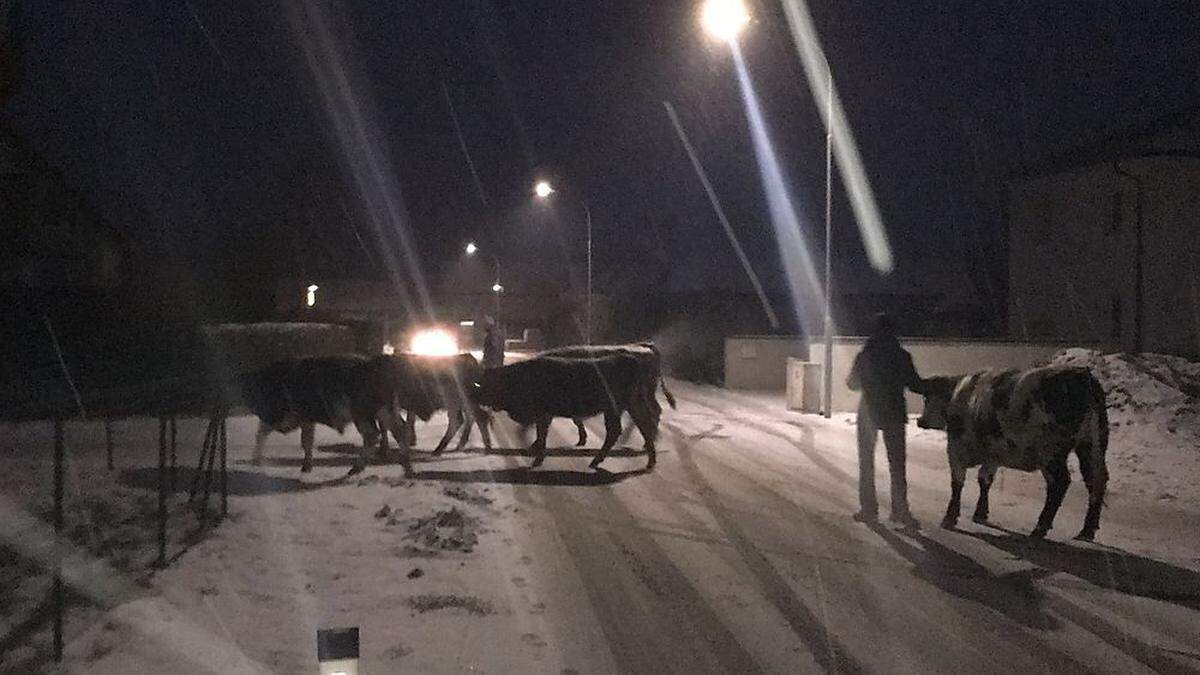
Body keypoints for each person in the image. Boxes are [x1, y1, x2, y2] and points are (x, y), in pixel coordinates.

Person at [846, 313, 924, 527]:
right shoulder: (902, 356)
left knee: (866, 463)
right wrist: (936, 386)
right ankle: (900, 510)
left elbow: (851, 384)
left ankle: (869, 509)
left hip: (868, 413)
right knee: (897, 465)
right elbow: (915, 385)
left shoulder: (864, 356)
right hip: (894, 413)